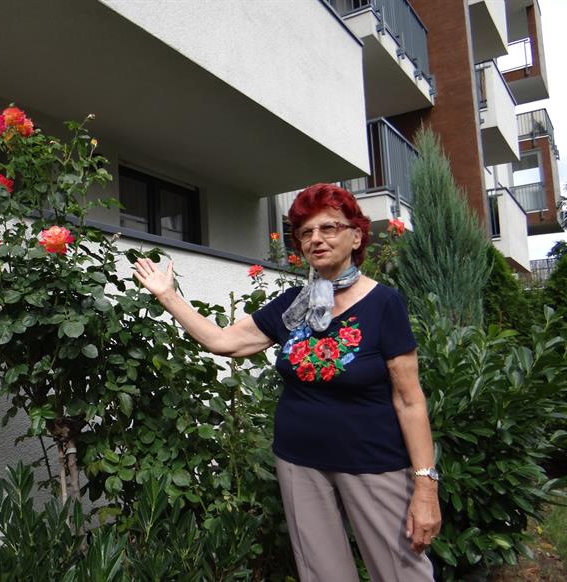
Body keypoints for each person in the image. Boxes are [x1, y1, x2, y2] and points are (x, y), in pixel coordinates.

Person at [133, 183, 441, 581]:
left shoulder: (384, 304)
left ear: (356, 236)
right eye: (306, 232)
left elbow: (409, 400)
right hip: (299, 463)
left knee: (403, 572)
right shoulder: (294, 304)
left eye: (329, 227)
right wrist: (169, 296)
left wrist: (425, 487)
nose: (316, 239)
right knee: (323, 575)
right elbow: (224, 341)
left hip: (374, 464)